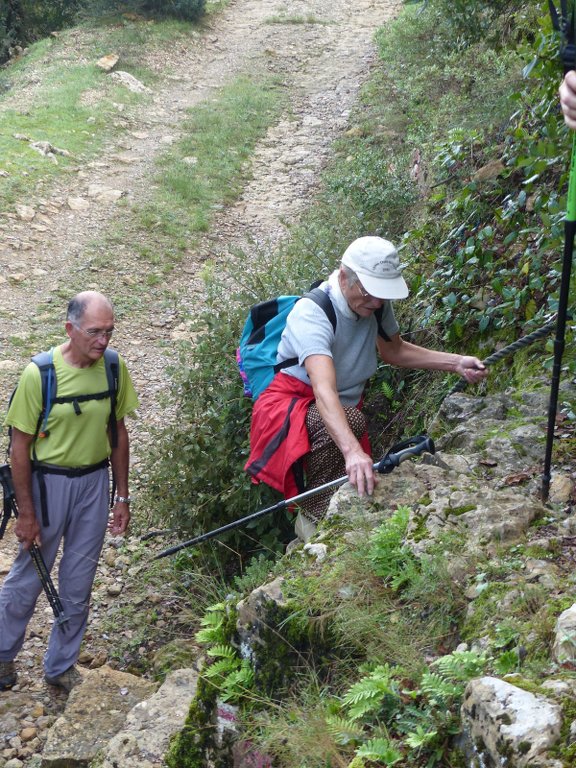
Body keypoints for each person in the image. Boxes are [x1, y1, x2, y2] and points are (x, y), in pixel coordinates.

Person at [245, 237, 487, 542]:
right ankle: (314, 525)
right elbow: (323, 390)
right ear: (344, 276)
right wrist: (353, 451)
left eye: (382, 295)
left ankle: (336, 523)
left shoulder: (374, 304)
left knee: (354, 459)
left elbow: (394, 351)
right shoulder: (313, 313)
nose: (375, 303)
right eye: (369, 293)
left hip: (339, 408)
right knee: (352, 436)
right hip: (290, 406)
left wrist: (456, 363)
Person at [0, 291, 138, 692]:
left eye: (109, 332)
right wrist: (26, 513)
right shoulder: (38, 375)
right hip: (46, 487)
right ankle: (3, 657)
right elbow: (19, 448)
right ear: (70, 329)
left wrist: (122, 495)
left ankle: (60, 667)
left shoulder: (113, 368)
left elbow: (118, 433)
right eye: (95, 332)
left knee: (79, 579)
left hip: (94, 485)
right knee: (28, 577)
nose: (104, 341)